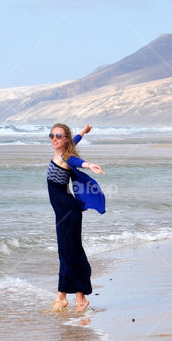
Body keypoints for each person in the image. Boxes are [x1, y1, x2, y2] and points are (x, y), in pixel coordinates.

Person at [47, 123, 105, 312]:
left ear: (65, 140)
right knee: (69, 252)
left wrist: (89, 165)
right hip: (63, 212)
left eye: (59, 136)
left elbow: (75, 161)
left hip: (68, 212)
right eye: (52, 135)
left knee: (68, 252)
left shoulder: (65, 156)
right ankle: (74, 297)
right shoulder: (60, 152)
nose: (54, 138)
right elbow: (75, 141)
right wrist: (83, 132)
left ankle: (64, 296)